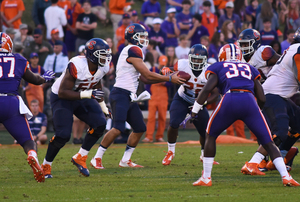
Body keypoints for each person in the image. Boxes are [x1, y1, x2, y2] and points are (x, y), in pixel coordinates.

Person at [191, 43, 299, 187]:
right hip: (249, 101)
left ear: (222, 56)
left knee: (210, 135)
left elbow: (206, 89)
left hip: (230, 99)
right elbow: (261, 97)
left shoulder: (218, 66)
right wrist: (257, 112)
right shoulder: (250, 68)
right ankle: (286, 177)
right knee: (268, 142)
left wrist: (195, 109)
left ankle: (206, 177)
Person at [89, 23, 185, 169]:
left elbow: (145, 78)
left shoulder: (134, 50)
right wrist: (169, 78)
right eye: (141, 36)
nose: (143, 39)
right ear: (132, 37)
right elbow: (146, 74)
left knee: (139, 128)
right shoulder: (133, 49)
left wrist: (165, 76)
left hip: (128, 95)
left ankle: (125, 160)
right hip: (120, 93)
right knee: (118, 127)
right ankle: (96, 157)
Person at [41, 38, 112, 178]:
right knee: (63, 135)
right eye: (102, 54)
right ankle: (45, 165)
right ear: (92, 55)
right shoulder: (77, 64)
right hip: (62, 97)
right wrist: (88, 94)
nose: (105, 57)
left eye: (106, 54)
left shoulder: (103, 66)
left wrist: (103, 106)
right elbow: (63, 91)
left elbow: (97, 83)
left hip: (83, 94)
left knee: (100, 124)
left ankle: (81, 157)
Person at [241, 27, 300, 176]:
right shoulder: (297, 50)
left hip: (278, 93)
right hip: (271, 94)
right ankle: (253, 163)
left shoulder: (288, 49)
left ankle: (280, 157)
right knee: (278, 131)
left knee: (298, 124)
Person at [0, 32, 55, 182]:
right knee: (28, 141)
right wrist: (45, 78)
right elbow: (34, 80)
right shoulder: (18, 59)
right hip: (11, 102)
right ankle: (32, 154)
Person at [161, 44, 219, 166]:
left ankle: (204, 155)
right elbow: (170, 69)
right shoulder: (182, 64)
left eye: (200, 60)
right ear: (189, 58)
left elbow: (215, 94)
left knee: (205, 131)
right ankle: (170, 152)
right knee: (173, 123)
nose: (197, 62)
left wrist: (203, 103)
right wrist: (166, 70)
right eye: (194, 59)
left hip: (199, 102)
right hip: (182, 98)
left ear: (205, 59)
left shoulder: (210, 71)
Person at [142, 55, 169, 143]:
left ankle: (159, 136)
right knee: (151, 117)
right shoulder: (153, 70)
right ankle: (149, 136)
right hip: (153, 96)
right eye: (161, 64)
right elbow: (147, 82)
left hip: (163, 97)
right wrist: (149, 93)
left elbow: (172, 83)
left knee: (162, 117)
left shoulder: (168, 71)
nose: (162, 66)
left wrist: (166, 83)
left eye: (164, 64)